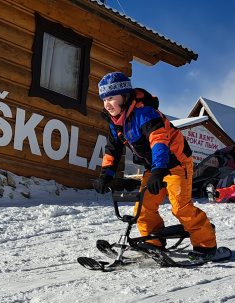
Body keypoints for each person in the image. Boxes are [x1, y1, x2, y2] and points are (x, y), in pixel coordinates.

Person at [93, 71, 218, 257]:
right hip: (155, 166)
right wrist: (106, 175)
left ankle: (206, 245)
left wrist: (160, 171)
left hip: (177, 162)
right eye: (104, 99)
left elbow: (159, 142)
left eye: (111, 98)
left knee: (180, 207)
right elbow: (113, 150)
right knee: (143, 208)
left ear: (125, 96)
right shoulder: (115, 123)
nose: (107, 104)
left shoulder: (146, 114)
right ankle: (154, 244)